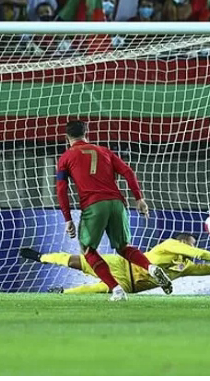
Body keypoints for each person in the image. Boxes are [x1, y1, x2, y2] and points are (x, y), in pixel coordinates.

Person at [55, 121, 173, 301]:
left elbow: (61, 189)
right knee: (124, 247)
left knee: (87, 250)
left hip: (94, 205)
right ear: (87, 133)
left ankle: (117, 290)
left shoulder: (65, 157)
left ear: (66, 137)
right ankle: (151, 268)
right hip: (117, 204)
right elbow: (128, 172)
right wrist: (139, 198)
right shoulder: (104, 151)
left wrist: (67, 218)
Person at [20, 233, 210, 294]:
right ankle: (41, 257)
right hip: (122, 265)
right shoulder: (170, 245)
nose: (191, 249)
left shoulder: (186, 267)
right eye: (189, 244)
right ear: (182, 242)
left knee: (94, 290)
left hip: (129, 285)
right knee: (76, 260)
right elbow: (200, 253)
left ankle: (62, 293)